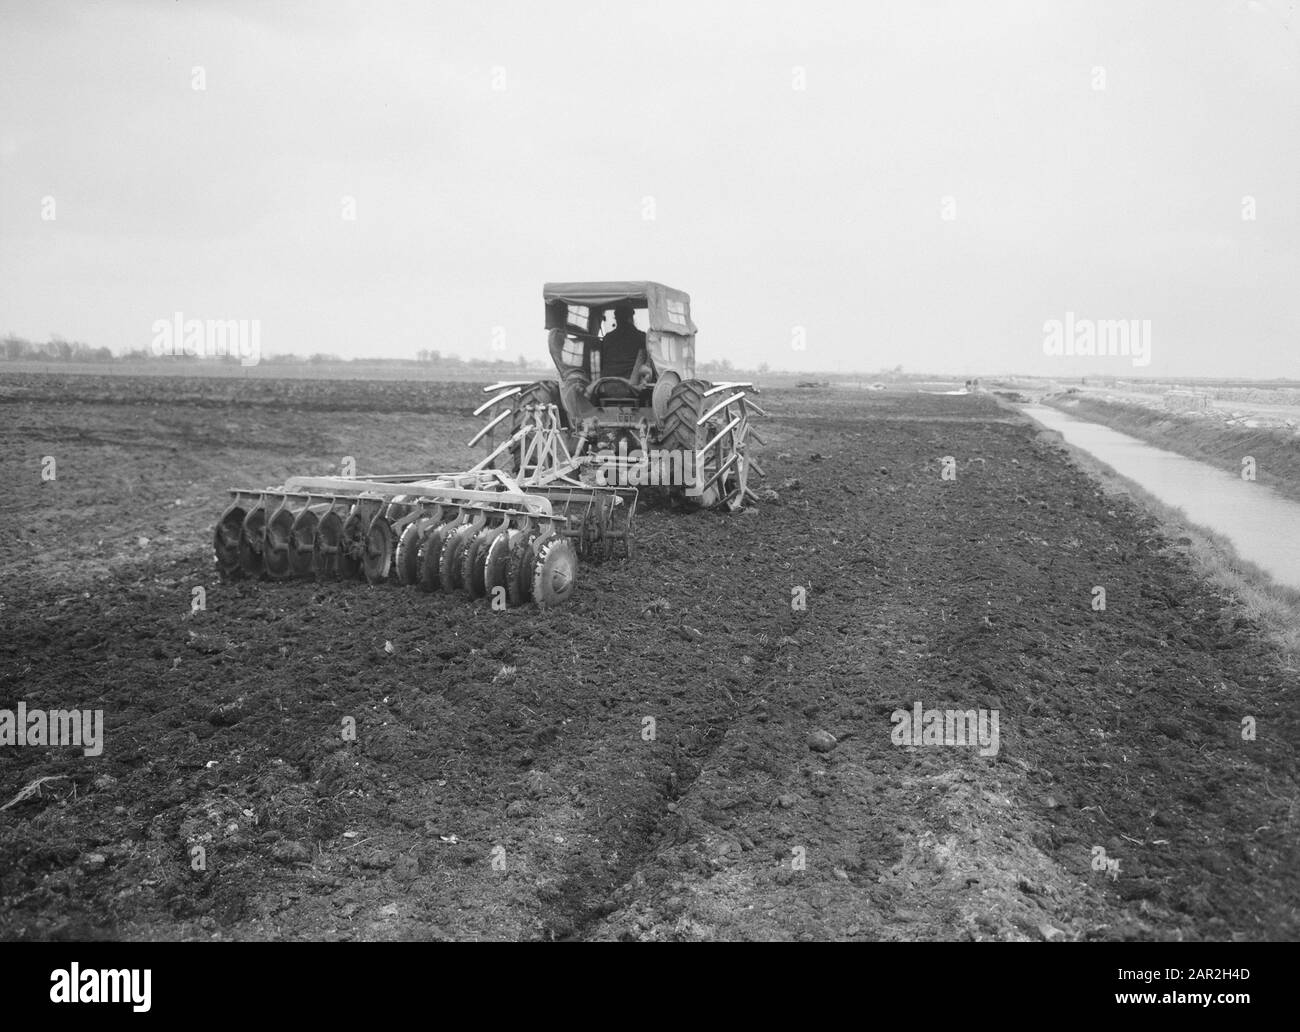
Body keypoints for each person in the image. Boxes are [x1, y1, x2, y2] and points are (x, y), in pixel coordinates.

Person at [597, 305, 648, 382]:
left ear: (616, 319)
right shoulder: (641, 337)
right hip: (631, 383)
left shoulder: (608, 338)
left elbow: (601, 362)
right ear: (631, 318)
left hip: (606, 382)